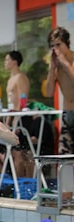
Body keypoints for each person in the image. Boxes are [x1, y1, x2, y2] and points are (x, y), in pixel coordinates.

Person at [45, 26, 74, 200]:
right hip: (68, 116)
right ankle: (67, 199)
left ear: (67, 43)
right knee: (65, 159)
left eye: (58, 45)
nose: (55, 50)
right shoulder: (56, 67)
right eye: (52, 46)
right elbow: (49, 92)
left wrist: (65, 64)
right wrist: (51, 69)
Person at [4, 50, 32, 178]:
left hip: (21, 116)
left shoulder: (21, 77)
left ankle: (25, 183)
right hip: (13, 116)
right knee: (15, 153)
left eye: (7, 60)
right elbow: (11, 103)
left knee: (22, 153)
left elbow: (22, 100)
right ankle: (17, 183)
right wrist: (8, 121)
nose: (5, 63)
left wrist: (16, 119)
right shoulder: (10, 79)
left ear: (14, 62)